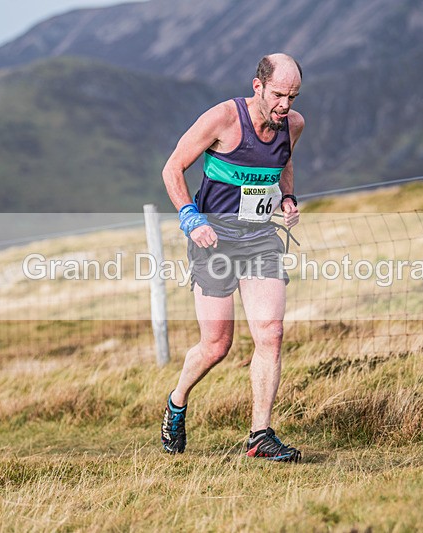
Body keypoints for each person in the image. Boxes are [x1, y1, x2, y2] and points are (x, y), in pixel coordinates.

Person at [160, 53, 305, 462]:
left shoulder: (292, 124)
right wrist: (191, 218)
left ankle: (259, 436)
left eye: (292, 96)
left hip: (260, 239)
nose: (285, 105)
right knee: (216, 345)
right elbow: (173, 168)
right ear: (258, 86)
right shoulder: (224, 118)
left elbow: (285, 161)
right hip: (214, 242)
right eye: (278, 94)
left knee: (271, 333)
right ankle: (177, 400)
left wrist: (288, 197)